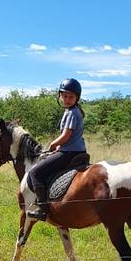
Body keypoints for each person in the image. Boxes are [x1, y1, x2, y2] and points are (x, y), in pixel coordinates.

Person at [27, 78, 87, 221]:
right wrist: (59, 146)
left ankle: (43, 209)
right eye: (64, 96)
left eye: (71, 97)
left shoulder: (72, 112)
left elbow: (66, 135)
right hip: (72, 150)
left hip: (69, 153)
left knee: (35, 173)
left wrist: (53, 145)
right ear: (60, 96)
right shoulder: (72, 111)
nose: (67, 99)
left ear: (76, 97)